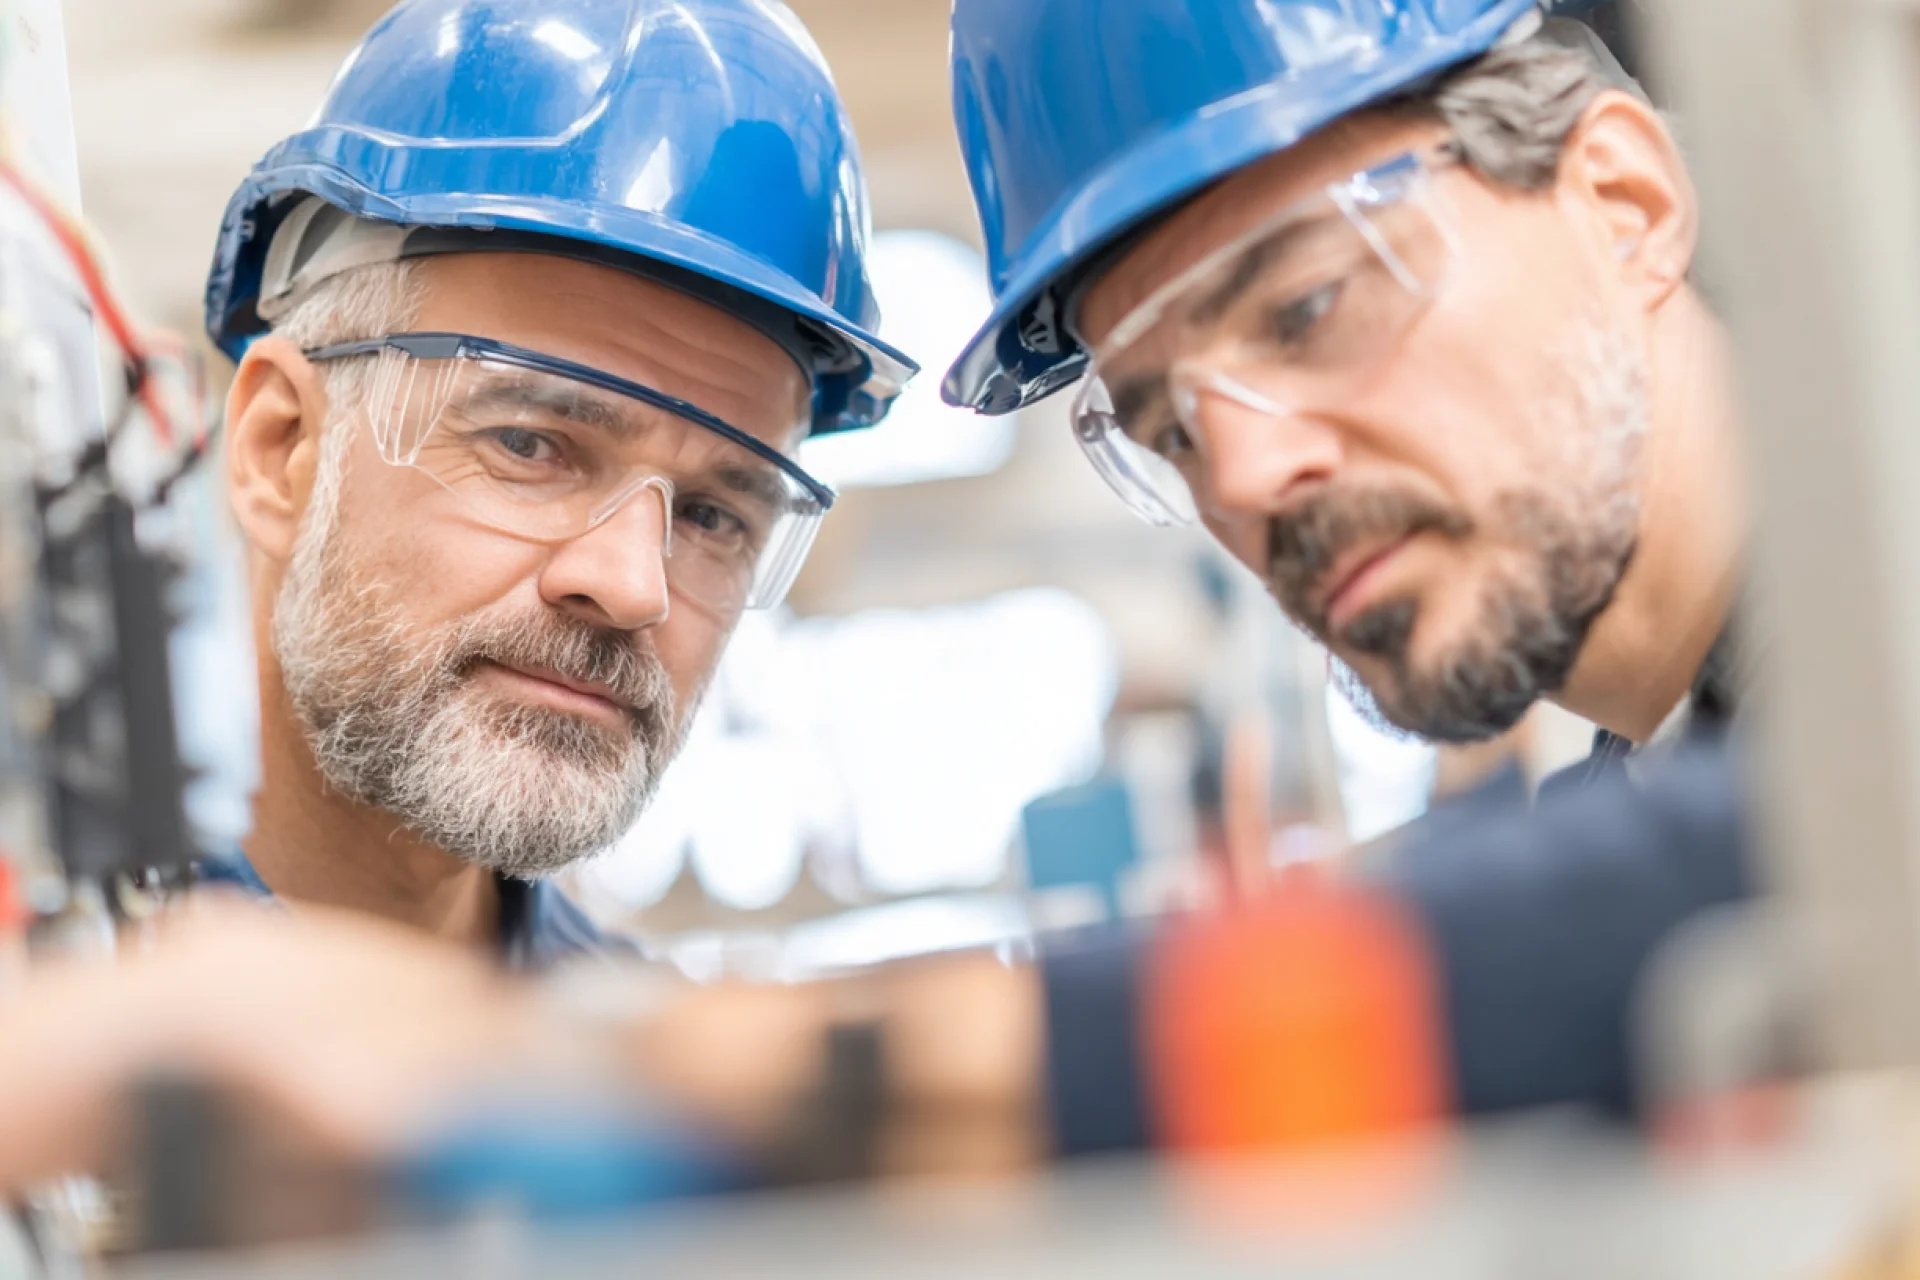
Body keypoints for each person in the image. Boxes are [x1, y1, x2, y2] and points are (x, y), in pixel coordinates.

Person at [194, 0, 914, 964]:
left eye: (712, 515)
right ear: (281, 449)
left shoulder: (639, 1087)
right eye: (532, 446)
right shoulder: (41, 977)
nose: (631, 586)